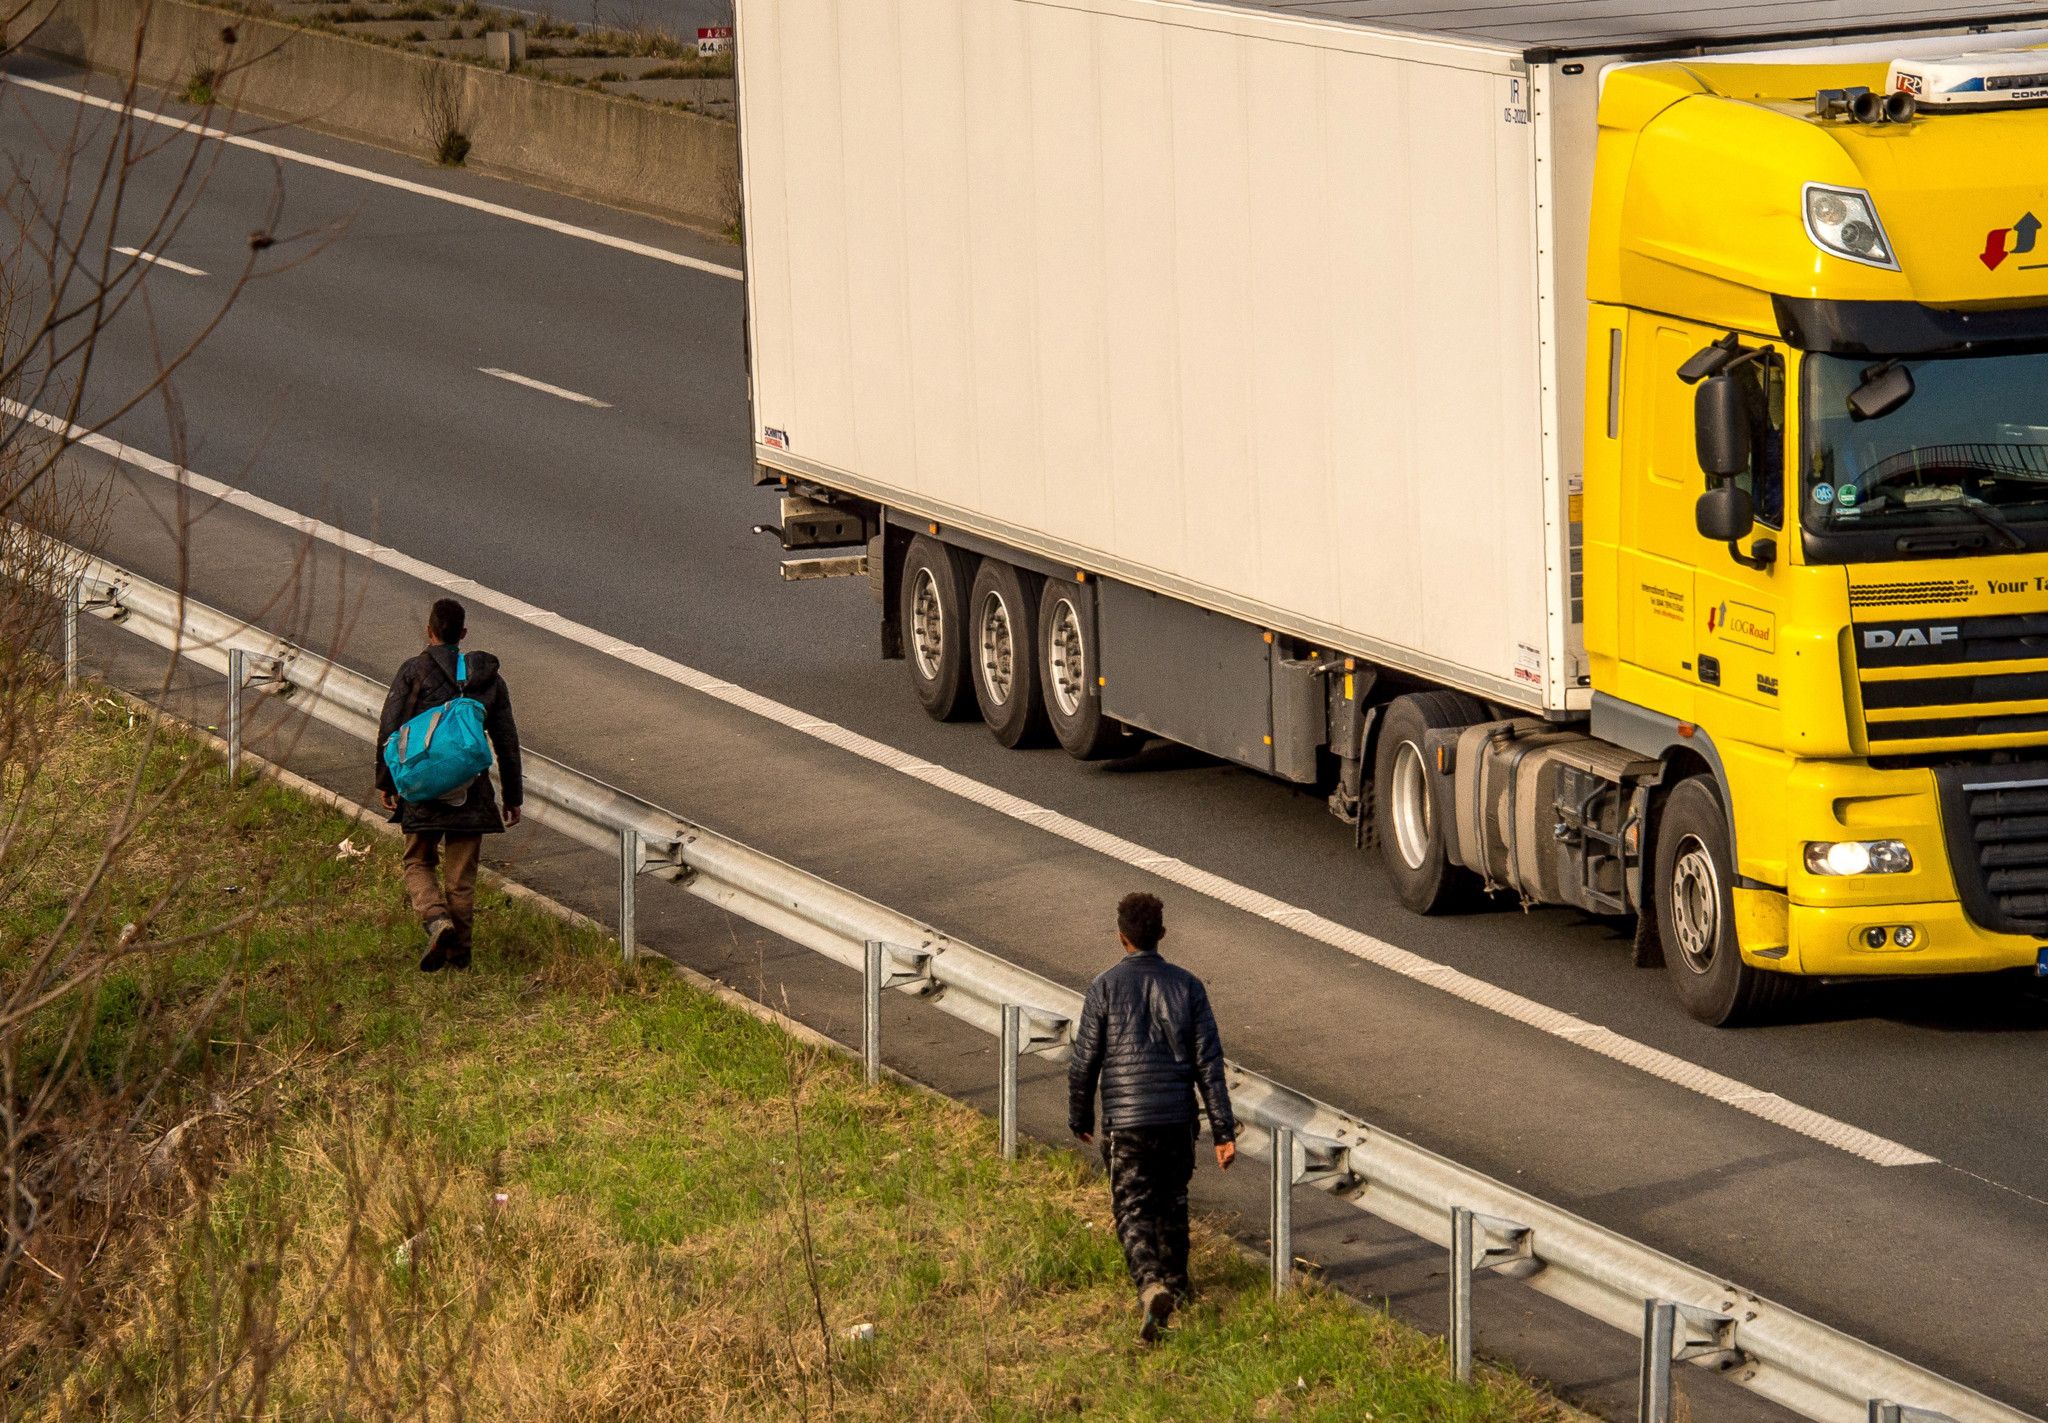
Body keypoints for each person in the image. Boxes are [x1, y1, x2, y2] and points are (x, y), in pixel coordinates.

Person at [1068, 891, 1236, 1342]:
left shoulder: (1104, 987)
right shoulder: (1189, 987)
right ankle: (1179, 1289)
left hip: (1127, 1122)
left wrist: (1079, 1114)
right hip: (1177, 1122)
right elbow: (1209, 1064)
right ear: (1162, 934)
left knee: (1132, 1208)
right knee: (1173, 1203)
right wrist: (1223, 1130)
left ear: (1120, 936)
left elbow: (1085, 1060)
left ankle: (1150, 1285)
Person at [375, 598, 523, 972]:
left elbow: (390, 730)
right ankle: (461, 957)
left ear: (429, 631)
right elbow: (506, 740)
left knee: (418, 861)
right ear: (464, 635)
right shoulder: (487, 679)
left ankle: (436, 918)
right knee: (461, 879)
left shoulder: (415, 671)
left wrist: (386, 781)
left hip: (422, 788)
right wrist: (512, 796)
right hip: (471, 794)